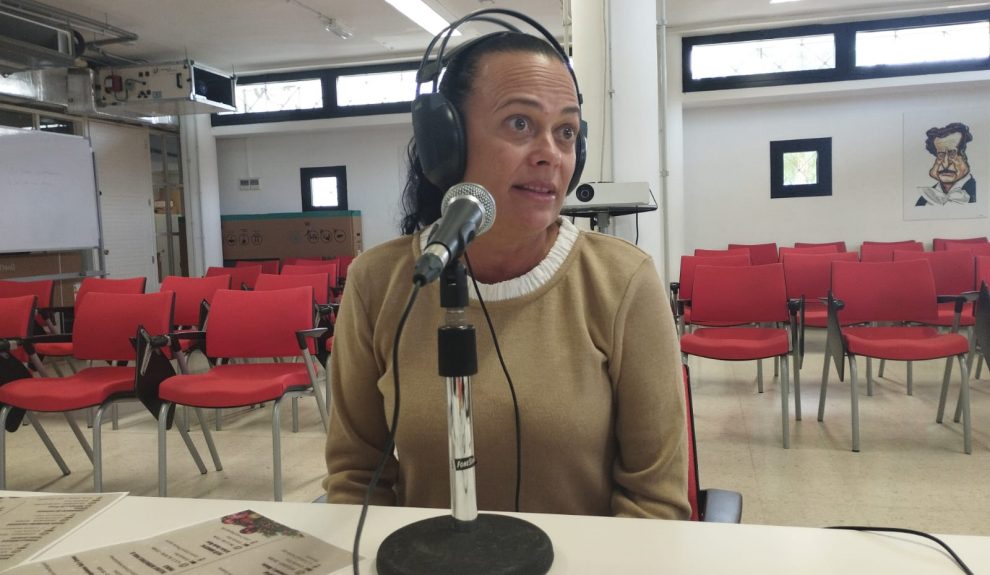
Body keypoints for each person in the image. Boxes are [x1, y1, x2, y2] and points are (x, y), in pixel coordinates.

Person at [323, 30, 689, 520]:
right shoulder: (378, 282)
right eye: (520, 123)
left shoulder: (624, 282)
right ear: (446, 143)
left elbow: (654, 501)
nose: (551, 154)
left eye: (566, 132)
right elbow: (355, 478)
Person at [916, 122, 976, 206]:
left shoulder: (977, 192)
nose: (946, 163)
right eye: (940, 154)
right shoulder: (924, 199)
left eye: (952, 154)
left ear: (964, 156)